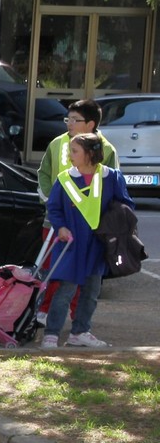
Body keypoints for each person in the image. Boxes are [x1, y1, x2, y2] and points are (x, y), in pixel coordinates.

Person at [40, 133, 134, 348]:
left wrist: (116, 226)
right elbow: (54, 208)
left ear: (90, 154)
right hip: (71, 243)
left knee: (91, 292)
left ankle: (80, 332)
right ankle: (51, 334)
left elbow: (125, 205)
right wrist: (61, 227)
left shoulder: (112, 177)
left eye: (74, 151)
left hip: (98, 244)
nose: (70, 155)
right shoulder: (64, 179)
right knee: (65, 290)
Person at [35, 99, 120, 323]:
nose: (69, 123)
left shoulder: (106, 149)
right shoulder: (56, 143)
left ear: (91, 124)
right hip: (55, 222)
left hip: (89, 227)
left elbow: (113, 188)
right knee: (51, 270)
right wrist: (48, 199)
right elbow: (43, 173)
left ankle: (78, 323)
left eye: (75, 120)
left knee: (84, 277)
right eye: (68, 119)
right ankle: (42, 314)